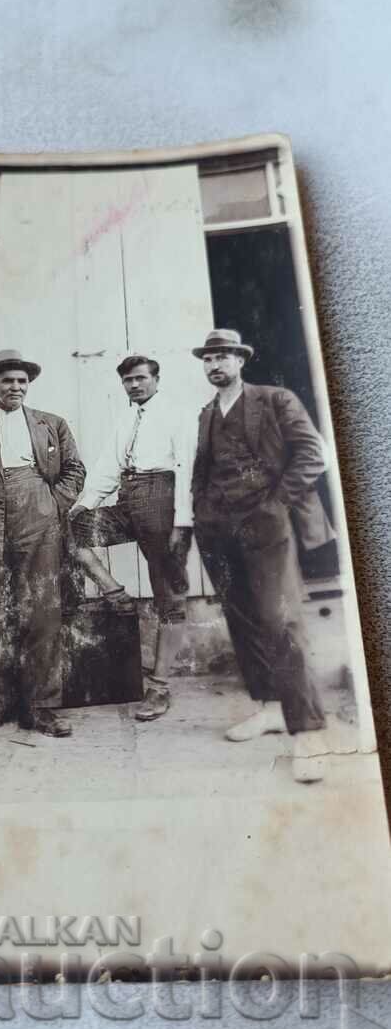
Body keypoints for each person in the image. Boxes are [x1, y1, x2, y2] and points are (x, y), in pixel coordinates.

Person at [191, 328, 335, 782]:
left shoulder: (275, 399)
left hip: (267, 527)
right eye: (209, 358)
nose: (216, 364)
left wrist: (277, 502)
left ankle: (309, 734)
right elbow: (205, 470)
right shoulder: (207, 413)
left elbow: (315, 453)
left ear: (240, 360)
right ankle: (269, 707)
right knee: (244, 621)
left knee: (281, 621)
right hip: (219, 532)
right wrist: (202, 514)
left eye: (224, 356)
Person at [0, 349, 85, 737]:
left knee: (42, 611)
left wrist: (52, 505)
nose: (15, 387)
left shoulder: (51, 423)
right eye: (8, 380)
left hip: (37, 517)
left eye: (22, 381)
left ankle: (41, 707)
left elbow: (75, 469)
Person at [68, 354, 194, 722]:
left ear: (156, 378)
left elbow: (188, 467)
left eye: (141, 378)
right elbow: (109, 465)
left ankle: (159, 688)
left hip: (163, 501)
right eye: (128, 381)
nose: (135, 385)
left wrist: (183, 524)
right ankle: (115, 593)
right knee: (69, 531)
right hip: (129, 499)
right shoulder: (127, 418)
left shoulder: (176, 413)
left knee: (169, 597)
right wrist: (84, 504)